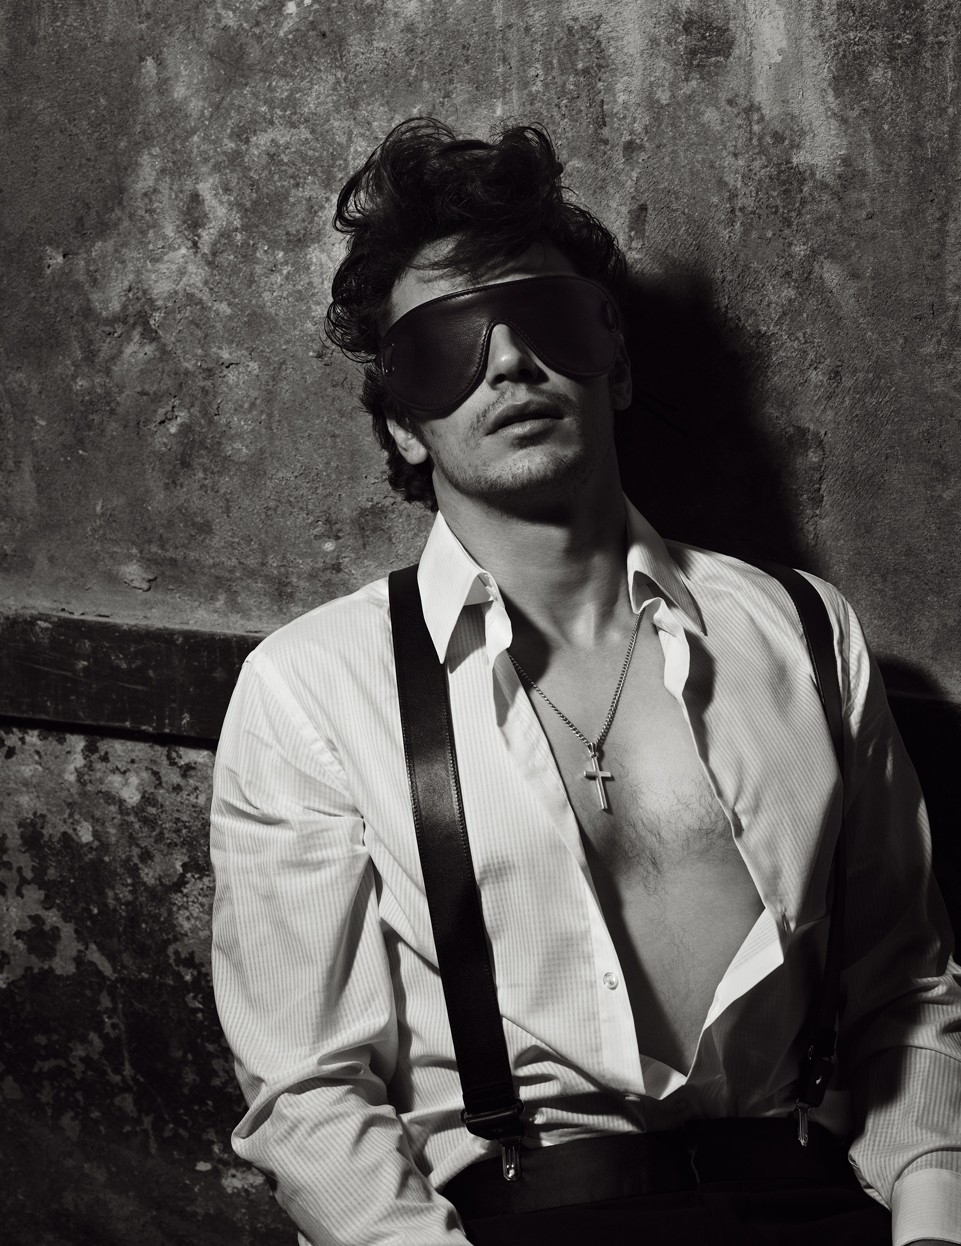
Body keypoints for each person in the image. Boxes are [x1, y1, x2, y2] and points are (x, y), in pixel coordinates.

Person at [209, 118, 961, 1246]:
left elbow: (905, 987)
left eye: (547, 321)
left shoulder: (803, 629)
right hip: (518, 1218)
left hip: (810, 1196)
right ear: (404, 427)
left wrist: (932, 1224)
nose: (509, 364)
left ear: (615, 366)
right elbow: (310, 1097)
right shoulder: (310, 689)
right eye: (447, 345)